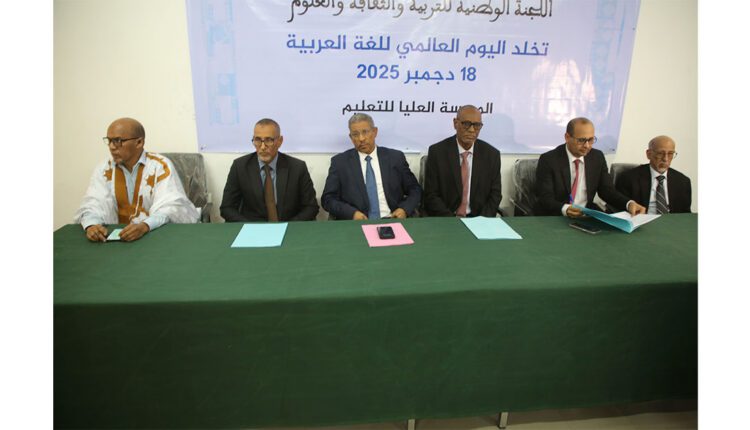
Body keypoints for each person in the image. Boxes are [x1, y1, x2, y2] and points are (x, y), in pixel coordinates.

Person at [74, 118, 199, 242]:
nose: (111, 147)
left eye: (118, 141)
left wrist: (145, 226)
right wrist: (92, 225)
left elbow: (171, 206)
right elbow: (93, 203)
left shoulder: (160, 166)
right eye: (109, 141)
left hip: (154, 237)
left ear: (139, 142)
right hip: (115, 241)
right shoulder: (104, 169)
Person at [535, 117, 646, 217]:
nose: (587, 146)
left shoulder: (597, 157)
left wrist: (628, 203)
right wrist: (565, 209)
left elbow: (607, 191)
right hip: (556, 216)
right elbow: (545, 197)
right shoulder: (549, 160)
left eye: (591, 140)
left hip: (585, 215)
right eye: (581, 140)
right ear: (567, 137)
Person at [321, 113, 422, 220]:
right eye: (355, 134)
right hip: (357, 222)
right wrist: (351, 213)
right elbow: (328, 199)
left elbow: (415, 189)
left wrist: (404, 209)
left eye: (365, 132)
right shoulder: (340, 162)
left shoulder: (395, 158)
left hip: (392, 218)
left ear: (375, 132)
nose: (361, 138)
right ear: (350, 137)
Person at [220, 118, 319, 222]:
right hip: (253, 227)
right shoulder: (240, 167)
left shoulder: (297, 168)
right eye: (258, 140)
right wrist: (250, 227)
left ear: (280, 141)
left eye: (268, 140)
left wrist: (289, 226)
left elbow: (311, 207)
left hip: (288, 226)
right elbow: (227, 208)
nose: (263, 147)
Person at [423, 105, 502, 217]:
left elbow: (495, 195)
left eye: (477, 125)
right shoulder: (437, 152)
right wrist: (451, 221)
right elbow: (431, 195)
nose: (471, 130)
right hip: (447, 218)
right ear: (455, 123)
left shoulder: (491, 155)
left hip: (478, 218)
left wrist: (482, 220)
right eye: (466, 124)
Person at [615, 135, 692, 214]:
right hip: (642, 220)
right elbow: (620, 209)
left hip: (671, 221)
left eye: (670, 153)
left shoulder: (683, 182)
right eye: (660, 153)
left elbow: (685, 214)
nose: (665, 159)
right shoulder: (629, 178)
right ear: (649, 154)